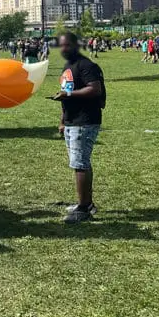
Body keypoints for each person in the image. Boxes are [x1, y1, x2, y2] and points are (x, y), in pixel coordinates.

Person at [53, 32, 104, 224]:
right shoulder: (68, 66)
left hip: (85, 120)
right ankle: (87, 202)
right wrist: (63, 120)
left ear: (76, 45)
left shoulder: (86, 65)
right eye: (62, 46)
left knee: (80, 164)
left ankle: (83, 209)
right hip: (72, 120)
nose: (64, 49)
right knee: (80, 163)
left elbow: (94, 88)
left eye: (67, 45)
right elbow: (66, 93)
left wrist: (69, 94)